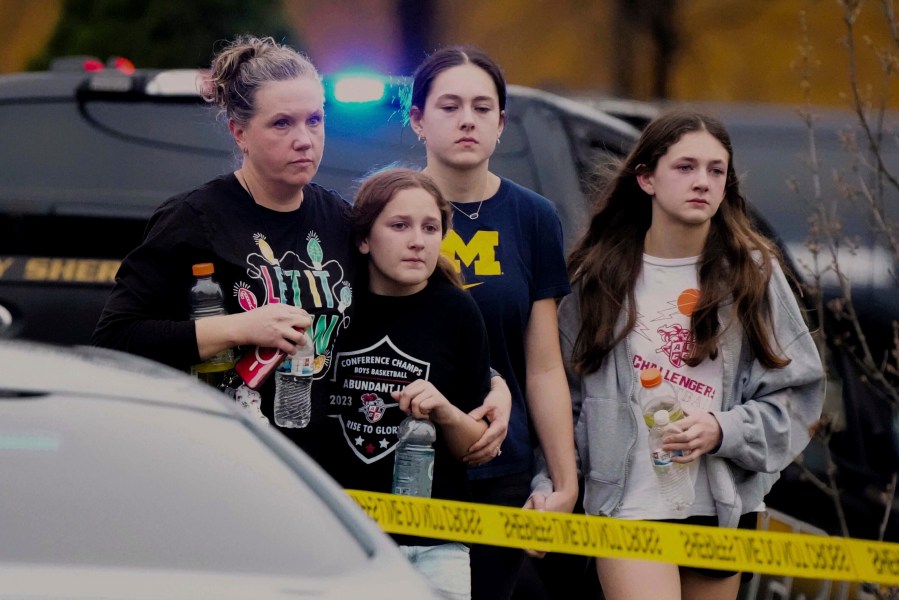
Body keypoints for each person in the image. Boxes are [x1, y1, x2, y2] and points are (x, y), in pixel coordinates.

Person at [91, 35, 510, 466]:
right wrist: (241, 328)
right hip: (213, 459)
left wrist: (492, 383)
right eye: (282, 124)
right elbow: (115, 338)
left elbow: (412, 309)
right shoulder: (194, 219)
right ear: (240, 133)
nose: (304, 139)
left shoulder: (338, 220)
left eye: (314, 120)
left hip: (310, 473)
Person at [546, 109, 825, 600]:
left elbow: (798, 395)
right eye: (685, 167)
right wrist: (553, 480)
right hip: (626, 505)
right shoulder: (597, 278)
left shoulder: (752, 273)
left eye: (716, 170)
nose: (703, 182)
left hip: (719, 505)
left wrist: (723, 429)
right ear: (646, 178)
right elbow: (562, 396)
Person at [407, 45, 579, 600]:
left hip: (498, 470)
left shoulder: (534, 217)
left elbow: (545, 365)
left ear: (501, 124)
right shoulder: (387, 210)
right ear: (418, 120)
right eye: (450, 106)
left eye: (483, 108)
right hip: (397, 462)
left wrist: (563, 479)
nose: (467, 120)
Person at [321, 167, 491, 600]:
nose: (418, 240)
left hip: (436, 544)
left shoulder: (458, 312)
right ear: (364, 239)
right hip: (346, 540)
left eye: (431, 227)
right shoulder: (333, 304)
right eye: (399, 226)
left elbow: (475, 448)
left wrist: (445, 411)